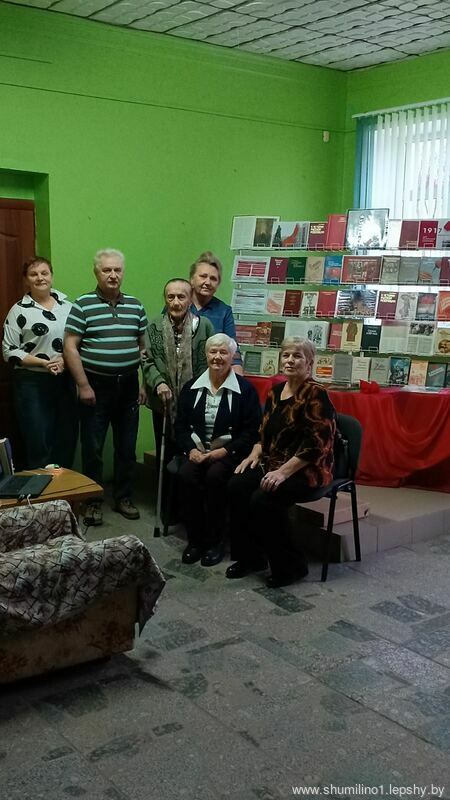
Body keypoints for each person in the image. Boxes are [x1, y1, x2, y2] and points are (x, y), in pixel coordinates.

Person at [227, 337, 336, 588]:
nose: (290, 360)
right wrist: (254, 453)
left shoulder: (316, 394)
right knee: (237, 486)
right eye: (286, 355)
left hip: (308, 469)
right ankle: (251, 558)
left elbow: (318, 445)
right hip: (273, 462)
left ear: (309, 362)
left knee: (263, 499)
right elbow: (263, 432)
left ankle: (292, 566)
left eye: (297, 356)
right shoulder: (275, 392)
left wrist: (283, 473)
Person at [64, 249, 147, 525]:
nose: (113, 275)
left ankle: (124, 496)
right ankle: (92, 501)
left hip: (129, 385)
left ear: (123, 272)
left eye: (117, 270)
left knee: (127, 447)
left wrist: (144, 382)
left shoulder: (135, 305)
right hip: (95, 385)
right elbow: (70, 347)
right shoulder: (83, 304)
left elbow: (143, 347)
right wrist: (83, 384)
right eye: (106, 270)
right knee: (93, 448)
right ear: (96, 272)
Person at [174, 333, 261, 567]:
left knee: (215, 478)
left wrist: (224, 452)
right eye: (213, 351)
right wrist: (190, 450)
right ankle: (195, 541)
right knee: (186, 475)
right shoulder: (191, 387)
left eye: (223, 352)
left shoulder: (245, 390)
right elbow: (180, 426)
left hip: (229, 454)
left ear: (232, 356)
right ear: (206, 355)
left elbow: (251, 432)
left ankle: (215, 542)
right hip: (197, 452)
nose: (217, 357)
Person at [2, 256, 77, 469]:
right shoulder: (18, 310)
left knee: (66, 438)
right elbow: (9, 351)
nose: (40, 278)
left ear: (52, 276)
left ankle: (66, 488)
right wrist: (43, 363)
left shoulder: (69, 307)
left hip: (65, 380)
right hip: (31, 384)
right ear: (26, 280)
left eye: (44, 273)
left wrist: (65, 361)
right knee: (38, 440)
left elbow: (79, 341)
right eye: (33, 274)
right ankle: (44, 490)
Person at [143, 278, 214, 465]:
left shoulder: (204, 325)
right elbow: (147, 360)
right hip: (163, 400)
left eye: (181, 297)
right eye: (171, 297)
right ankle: (165, 484)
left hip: (196, 400)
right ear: (165, 299)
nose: (175, 302)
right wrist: (159, 382)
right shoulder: (154, 327)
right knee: (164, 454)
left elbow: (211, 361)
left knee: (194, 450)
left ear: (190, 300)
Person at [189, 251, 243, 373]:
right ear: (191, 280)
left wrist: (238, 380)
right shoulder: (178, 306)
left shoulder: (224, 311)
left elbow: (233, 351)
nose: (207, 282)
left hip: (213, 376)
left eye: (213, 279)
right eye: (203, 276)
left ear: (217, 284)